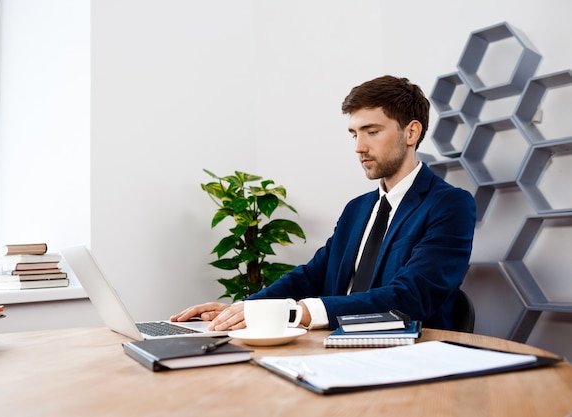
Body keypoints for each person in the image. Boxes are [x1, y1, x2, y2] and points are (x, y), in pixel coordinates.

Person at [171, 75, 476, 331]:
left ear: (411, 132)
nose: (359, 147)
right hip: (332, 349)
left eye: (372, 132)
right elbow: (313, 275)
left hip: (409, 356)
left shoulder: (450, 205)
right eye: (354, 134)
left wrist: (297, 313)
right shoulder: (357, 209)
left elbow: (412, 297)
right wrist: (246, 308)